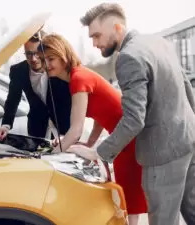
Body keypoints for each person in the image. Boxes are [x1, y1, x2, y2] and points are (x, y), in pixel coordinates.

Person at [74, 3, 195, 225]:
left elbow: (133, 119)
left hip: (162, 155)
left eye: (97, 35)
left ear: (117, 27)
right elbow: (186, 86)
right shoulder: (158, 42)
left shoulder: (128, 57)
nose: (94, 43)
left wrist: (99, 153)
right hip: (188, 140)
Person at [38, 33, 147, 225]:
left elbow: (76, 129)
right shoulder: (79, 75)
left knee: (130, 199)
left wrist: (53, 154)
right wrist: (89, 143)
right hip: (124, 139)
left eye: (51, 58)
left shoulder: (78, 78)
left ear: (63, 55)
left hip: (128, 139)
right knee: (130, 200)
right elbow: (100, 115)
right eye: (43, 60)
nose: (47, 65)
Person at [0, 30, 71, 140]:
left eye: (37, 53)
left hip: (65, 130)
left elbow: (71, 100)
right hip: (36, 129)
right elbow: (12, 99)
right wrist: (5, 126)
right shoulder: (18, 71)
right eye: (29, 54)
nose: (33, 59)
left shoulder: (60, 68)